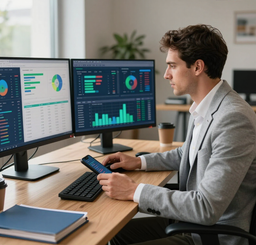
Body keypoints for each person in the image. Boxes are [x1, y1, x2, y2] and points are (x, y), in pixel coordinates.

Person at [97, 24, 256, 245]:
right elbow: (188, 154)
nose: (166, 74)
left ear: (198, 67)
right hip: (195, 223)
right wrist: (138, 162)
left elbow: (206, 208)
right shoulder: (208, 105)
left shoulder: (232, 118)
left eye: (172, 65)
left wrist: (134, 190)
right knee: (114, 233)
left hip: (213, 235)